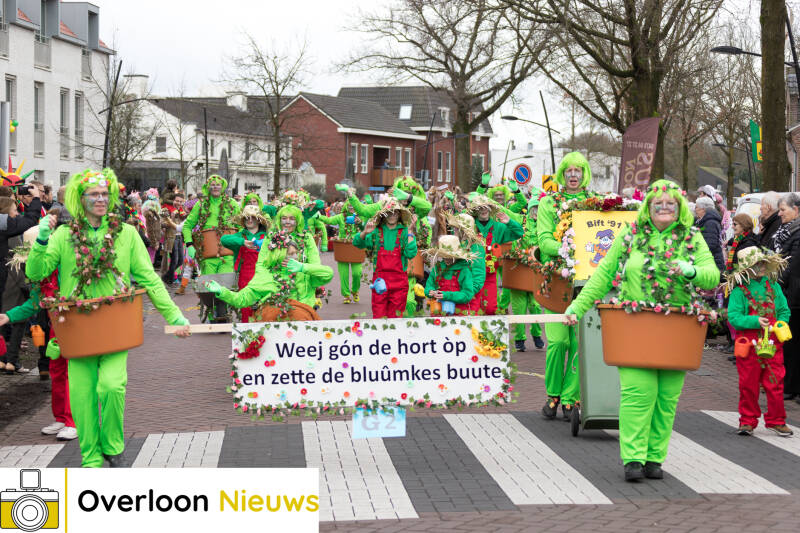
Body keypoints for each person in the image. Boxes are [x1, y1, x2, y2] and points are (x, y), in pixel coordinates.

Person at [26, 169, 190, 468]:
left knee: (112, 387)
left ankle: (113, 446)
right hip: (77, 328)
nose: (101, 199)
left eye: (105, 194)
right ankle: (91, 459)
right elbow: (36, 273)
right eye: (94, 194)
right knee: (82, 397)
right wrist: (41, 241)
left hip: (115, 326)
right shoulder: (63, 235)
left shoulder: (126, 234)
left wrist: (175, 316)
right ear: (81, 199)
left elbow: (149, 279)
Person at [564, 179, 720, 482]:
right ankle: (633, 458)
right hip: (635, 327)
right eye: (658, 203)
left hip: (676, 330)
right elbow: (604, 274)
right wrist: (577, 307)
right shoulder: (630, 235)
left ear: (679, 207)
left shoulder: (692, 237)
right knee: (638, 394)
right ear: (648, 207)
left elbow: (712, 275)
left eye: (670, 203)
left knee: (666, 399)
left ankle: (654, 458)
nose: (664, 208)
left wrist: (692, 271)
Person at [0, 226, 76, 440]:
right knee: (57, 370)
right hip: (57, 328)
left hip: (74, 325)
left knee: (72, 373)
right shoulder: (41, 274)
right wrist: (9, 316)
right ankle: (62, 418)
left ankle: (73, 421)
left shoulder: (64, 267)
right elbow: (35, 302)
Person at [536, 151, 594, 420]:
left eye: (578, 170)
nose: (573, 175)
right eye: (569, 170)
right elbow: (544, 240)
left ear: (584, 174)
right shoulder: (549, 203)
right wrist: (569, 248)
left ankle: (571, 398)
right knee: (558, 342)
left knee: (579, 343)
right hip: (557, 281)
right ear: (562, 174)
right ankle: (553, 394)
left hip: (585, 284)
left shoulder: (594, 203)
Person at [726, 246, 793, 436]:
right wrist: (755, 321)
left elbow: (784, 311)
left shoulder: (774, 286)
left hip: (772, 343)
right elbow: (734, 318)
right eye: (757, 264)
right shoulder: (739, 291)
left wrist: (780, 324)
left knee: (775, 383)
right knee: (748, 384)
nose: (762, 266)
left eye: (763, 263)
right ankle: (747, 421)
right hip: (749, 345)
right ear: (747, 268)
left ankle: (776, 420)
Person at [353, 199, 418, 319]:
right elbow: (357, 243)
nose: (392, 215)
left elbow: (410, 253)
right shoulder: (376, 231)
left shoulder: (404, 232)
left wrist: (410, 232)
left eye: (395, 212)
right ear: (384, 215)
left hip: (399, 283)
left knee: (395, 319)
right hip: (380, 281)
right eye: (389, 212)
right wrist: (365, 232)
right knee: (378, 316)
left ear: (399, 214)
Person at [466, 195, 523, 316]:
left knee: (490, 309)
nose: (484, 210)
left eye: (486, 207)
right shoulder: (469, 226)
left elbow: (519, 233)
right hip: (472, 274)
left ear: (490, 209)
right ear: (475, 211)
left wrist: (509, 222)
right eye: (480, 207)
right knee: (472, 309)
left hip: (490, 275)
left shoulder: (498, 227)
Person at [219, 205, 270, 323]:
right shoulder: (240, 235)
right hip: (245, 276)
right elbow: (224, 240)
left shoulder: (267, 236)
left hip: (264, 275)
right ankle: (247, 331)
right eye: (247, 218)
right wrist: (242, 242)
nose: (249, 220)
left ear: (259, 220)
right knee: (246, 306)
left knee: (266, 306)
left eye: (252, 217)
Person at [182, 175, 239, 275]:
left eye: (218, 185)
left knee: (225, 282)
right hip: (207, 253)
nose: (215, 187)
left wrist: (241, 243)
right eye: (212, 185)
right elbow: (187, 226)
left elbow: (241, 226)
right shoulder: (201, 204)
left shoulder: (232, 203)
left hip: (228, 253)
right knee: (208, 283)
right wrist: (189, 244)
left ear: (222, 187)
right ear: (208, 187)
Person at [772, 193, 800, 401]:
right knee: (789, 341)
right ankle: (789, 384)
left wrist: (778, 283)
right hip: (788, 291)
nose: (779, 214)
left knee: (793, 341)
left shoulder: (796, 233)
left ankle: (792, 385)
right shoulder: (785, 232)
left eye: (783, 210)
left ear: (796, 210)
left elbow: (792, 265)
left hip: (794, 293)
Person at [317, 203, 364, 304]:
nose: (351, 208)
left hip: (356, 247)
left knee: (357, 273)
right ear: (346, 207)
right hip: (343, 247)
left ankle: (355, 290)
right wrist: (318, 216)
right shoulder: (340, 217)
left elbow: (365, 228)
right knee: (344, 274)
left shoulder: (361, 216)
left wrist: (360, 223)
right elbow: (329, 220)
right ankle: (346, 295)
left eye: (353, 207)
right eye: (350, 206)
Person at [424, 234, 477, 314]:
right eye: (444, 256)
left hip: (459, 314)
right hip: (438, 312)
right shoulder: (437, 268)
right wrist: (430, 291)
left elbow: (467, 294)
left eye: (450, 256)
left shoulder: (464, 270)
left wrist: (447, 295)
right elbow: (429, 285)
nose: (446, 259)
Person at [694, 196, 725, 272]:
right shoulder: (705, 221)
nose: (695, 210)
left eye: (696, 207)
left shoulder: (710, 223)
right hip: (711, 260)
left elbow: (710, 244)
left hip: (712, 262)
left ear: (703, 209)